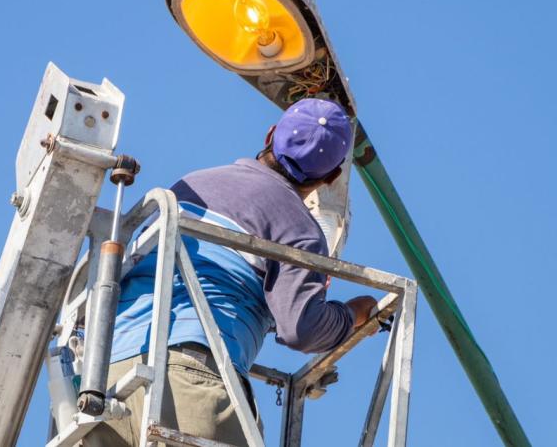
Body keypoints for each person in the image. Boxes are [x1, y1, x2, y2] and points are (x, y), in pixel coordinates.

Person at [89, 98, 377, 446]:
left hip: (108, 375)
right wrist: (353, 314)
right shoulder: (300, 230)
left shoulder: (192, 184)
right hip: (188, 380)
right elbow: (303, 329)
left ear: (270, 134)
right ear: (331, 177)